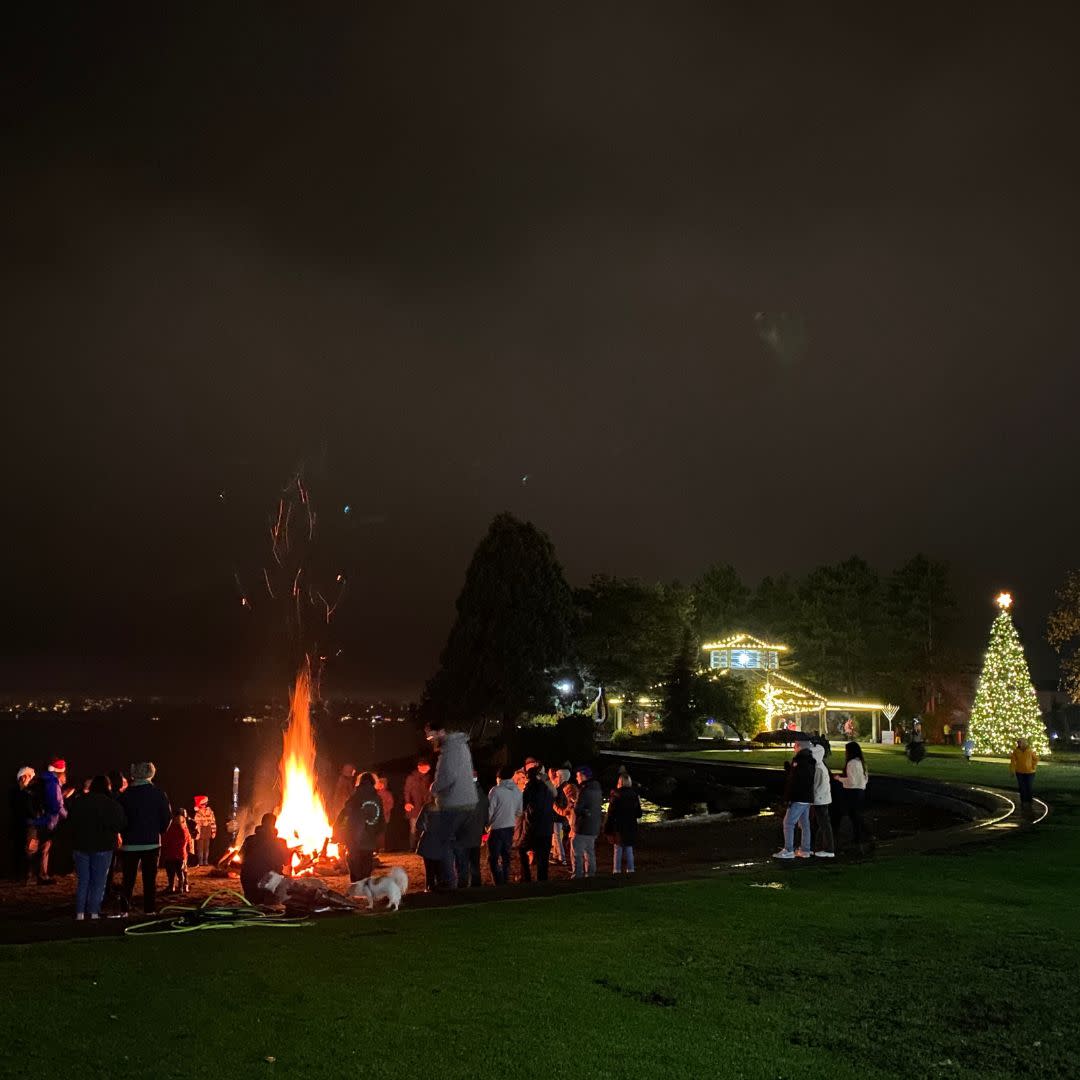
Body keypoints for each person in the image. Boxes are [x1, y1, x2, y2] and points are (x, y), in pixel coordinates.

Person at [116, 761, 172, 915]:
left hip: (130, 844)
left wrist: (124, 831)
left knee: (128, 879)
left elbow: (119, 817)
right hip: (151, 843)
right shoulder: (158, 794)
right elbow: (167, 817)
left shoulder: (125, 795)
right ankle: (149, 910)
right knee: (149, 880)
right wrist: (160, 831)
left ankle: (124, 909)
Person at [67, 775, 125, 920]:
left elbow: (70, 822)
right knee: (99, 881)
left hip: (81, 846)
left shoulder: (79, 802)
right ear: (107, 786)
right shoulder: (110, 804)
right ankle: (94, 912)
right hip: (103, 847)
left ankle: (80, 913)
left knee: (83, 880)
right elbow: (121, 823)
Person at [426, 728, 478, 888]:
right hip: (468, 800)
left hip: (453, 802)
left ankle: (449, 881)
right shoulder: (462, 746)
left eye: (430, 736)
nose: (430, 740)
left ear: (441, 732)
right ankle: (463, 880)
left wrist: (433, 788)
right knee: (459, 844)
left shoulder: (450, 750)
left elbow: (447, 776)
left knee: (443, 842)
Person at [334, 772, 383, 882]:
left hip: (353, 836)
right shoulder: (377, 799)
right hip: (369, 836)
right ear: (373, 783)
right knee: (367, 860)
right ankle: (364, 884)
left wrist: (337, 829)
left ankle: (355, 883)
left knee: (354, 860)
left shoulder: (354, 798)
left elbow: (344, 815)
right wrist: (378, 833)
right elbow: (380, 819)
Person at [775, 740, 815, 859]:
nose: (794, 747)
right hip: (807, 797)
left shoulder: (799, 760)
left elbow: (795, 780)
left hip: (798, 797)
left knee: (788, 822)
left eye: (795, 745)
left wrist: (790, 770)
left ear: (799, 747)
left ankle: (788, 849)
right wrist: (790, 769)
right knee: (804, 823)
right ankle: (805, 849)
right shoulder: (810, 760)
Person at [239, 813, 291, 903]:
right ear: (274, 824)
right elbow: (286, 862)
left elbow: (241, 857)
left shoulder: (249, 839)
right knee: (287, 882)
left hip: (248, 882)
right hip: (268, 882)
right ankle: (269, 897)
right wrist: (291, 852)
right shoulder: (281, 842)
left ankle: (256, 897)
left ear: (262, 823)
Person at [33, 758, 69, 883]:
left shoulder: (46, 782)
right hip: (48, 820)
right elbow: (56, 805)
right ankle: (42, 876)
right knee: (45, 848)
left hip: (42, 819)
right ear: (60, 772)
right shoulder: (53, 784)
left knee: (42, 847)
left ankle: (38, 874)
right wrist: (67, 815)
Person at [486, 767, 522, 885]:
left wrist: (486, 824)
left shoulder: (495, 790)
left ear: (499, 778)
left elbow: (489, 811)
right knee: (506, 857)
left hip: (496, 829)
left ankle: (498, 882)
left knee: (493, 858)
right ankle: (505, 880)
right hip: (510, 827)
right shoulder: (517, 790)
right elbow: (519, 812)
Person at [518, 766, 555, 883]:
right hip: (547, 828)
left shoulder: (529, 789)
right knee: (543, 857)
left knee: (521, 849)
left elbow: (521, 807)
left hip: (533, 828)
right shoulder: (547, 789)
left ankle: (526, 877)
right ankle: (542, 880)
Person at [454, 773, 488, 888]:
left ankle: (463, 887)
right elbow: (485, 814)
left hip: (462, 835)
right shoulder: (481, 794)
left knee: (462, 864)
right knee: (474, 863)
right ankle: (476, 886)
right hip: (475, 834)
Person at [605, 773, 642, 874]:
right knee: (629, 848)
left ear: (619, 782)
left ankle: (616, 870)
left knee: (618, 848)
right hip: (630, 825)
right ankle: (630, 869)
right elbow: (639, 814)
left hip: (619, 825)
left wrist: (606, 827)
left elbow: (611, 813)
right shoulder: (634, 795)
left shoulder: (616, 795)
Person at [9, 767, 41, 883]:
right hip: (26, 826)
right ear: (22, 777)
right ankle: (26, 876)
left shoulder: (20, 793)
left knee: (27, 850)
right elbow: (30, 810)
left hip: (24, 826)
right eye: (28, 776)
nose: (29, 778)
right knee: (28, 851)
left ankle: (25, 876)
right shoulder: (24, 794)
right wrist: (37, 816)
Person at [570, 766, 603, 878]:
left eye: (578, 775)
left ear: (583, 776)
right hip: (594, 826)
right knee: (590, 852)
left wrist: (576, 805)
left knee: (577, 853)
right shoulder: (597, 789)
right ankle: (590, 874)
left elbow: (578, 809)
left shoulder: (584, 790)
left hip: (583, 826)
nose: (576, 777)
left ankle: (577, 875)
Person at [838, 741, 869, 847]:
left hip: (853, 792)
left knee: (854, 816)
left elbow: (851, 781)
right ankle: (862, 836)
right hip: (861, 791)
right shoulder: (861, 762)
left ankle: (861, 837)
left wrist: (839, 779)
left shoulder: (851, 763)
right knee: (857, 815)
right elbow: (865, 778)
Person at [161, 809, 194, 895]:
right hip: (181, 855)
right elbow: (189, 841)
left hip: (170, 855)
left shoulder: (169, 829)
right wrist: (190, 851)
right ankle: (182, 887)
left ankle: (172, 887)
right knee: (182, 871)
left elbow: (164, 841)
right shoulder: (185, 829)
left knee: (171, 872)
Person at [414, 798, 444, 891]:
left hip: (428, 842)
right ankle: (438, 890)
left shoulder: (428, 807)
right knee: (439, 869)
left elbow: (418, 824)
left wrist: (428, 828)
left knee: (430, 869)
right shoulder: (447, 807)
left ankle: (430, 889)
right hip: (440, 842)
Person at [810, 744, 834, 858]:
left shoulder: (818, 768)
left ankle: (829, 849)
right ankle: (821, 846)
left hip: (820, 800)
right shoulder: (822, 766)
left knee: (824, 824)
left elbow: (816, 786)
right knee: (822, 824)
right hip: (823, 799)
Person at [403, 757, 433, 848]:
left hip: (425, 807)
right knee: (413, 828)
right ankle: (413, 847)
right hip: (414, 807)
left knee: (425, 828)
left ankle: (423, 846)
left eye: (428, 767)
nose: (426, 769)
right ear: (419, 767)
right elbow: (406, 791)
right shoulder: (411, 778)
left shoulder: (428, 778)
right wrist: (407, 802)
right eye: (424, 767)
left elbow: (430, 791)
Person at [1009, 738, 1038, 808]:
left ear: (1024, 743)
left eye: (1020, 742)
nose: (1018, 744)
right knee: (1022, 787)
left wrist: (1033, 766)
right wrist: (1012, 770)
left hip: (1030, 772)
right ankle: (1023, 801)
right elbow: (1013, 761)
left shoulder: (1030, 750)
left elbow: (1036, 759)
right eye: (1018, 743)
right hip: (1020, 772)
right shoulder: (1016, 751)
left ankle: (1029, 801)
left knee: (1029, 786)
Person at [549, 767, 569, 865]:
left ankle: (562, 857)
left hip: (558, 817)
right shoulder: (564, 786)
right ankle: (556, 855)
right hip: (560, 817)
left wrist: (553, 802)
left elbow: (560, 803)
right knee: (557, 836)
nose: (556, 777)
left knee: (557, 836)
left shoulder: (562, 788)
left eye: (557, 775)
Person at [373, 775, 395, 856]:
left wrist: (384, 810)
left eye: (382, 784)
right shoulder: (375, 793)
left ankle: (382, 847)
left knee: (382, 833)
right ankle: (375, 848)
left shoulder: (387, 794)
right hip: (375, 817)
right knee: (375, 832)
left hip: (384, 816)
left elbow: (390, 804)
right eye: (379, 784)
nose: (380, 785)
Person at [192, 796, 217, 866]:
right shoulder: (198, 813)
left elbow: (213, 822)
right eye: (202, 804)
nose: (204, 806)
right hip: (201, 830)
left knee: (206, 847)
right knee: (200, 847)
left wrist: (214, 832)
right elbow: (196, 823)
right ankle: (200, 861)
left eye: (205, 804)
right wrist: (197, 832)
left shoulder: (210, 811)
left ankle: (205, 861)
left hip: (207, 830)